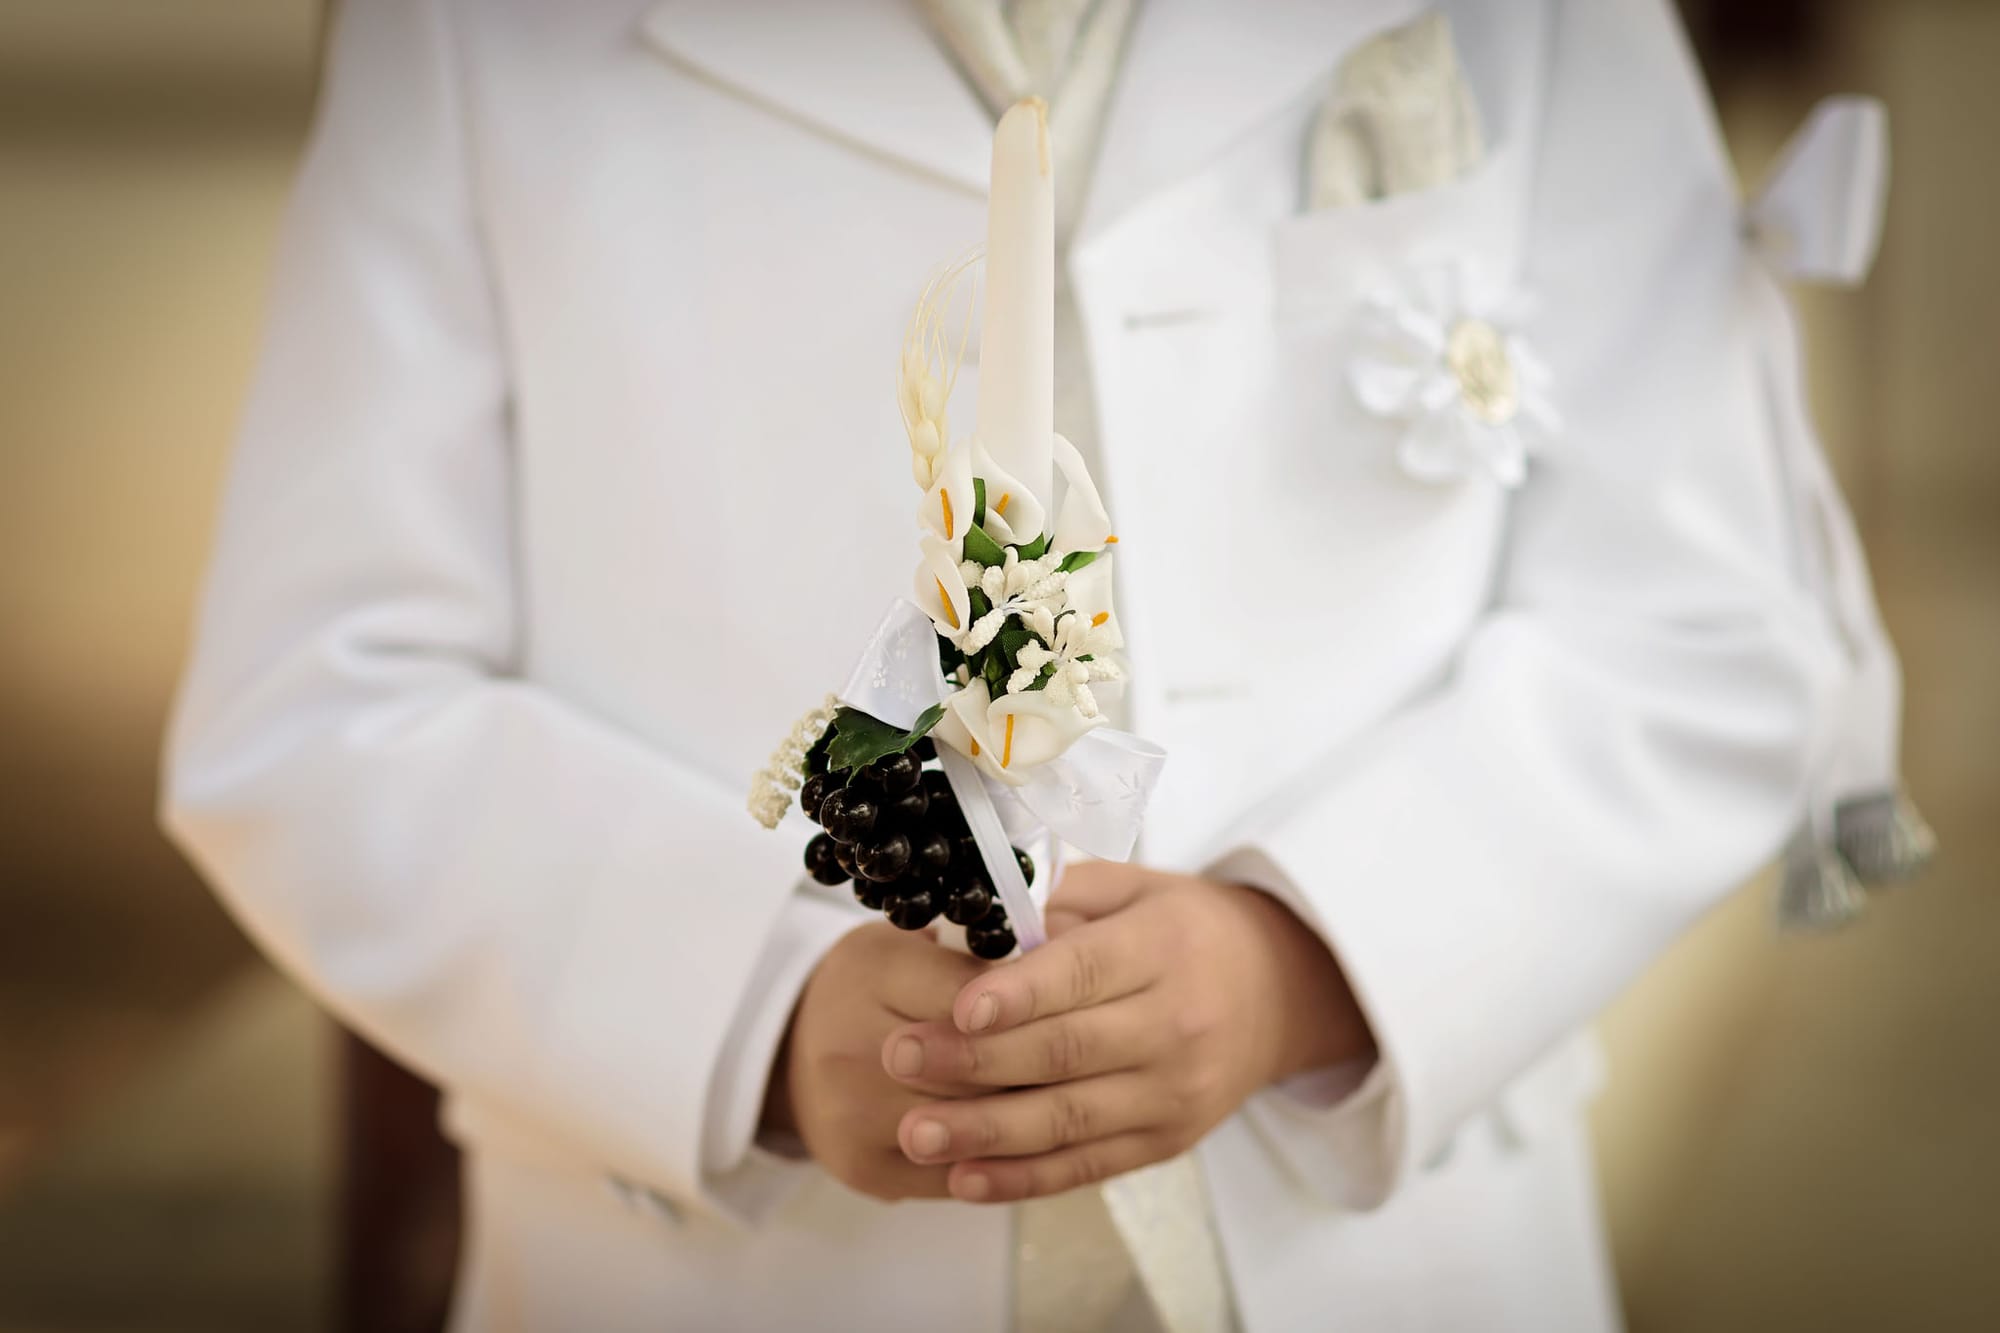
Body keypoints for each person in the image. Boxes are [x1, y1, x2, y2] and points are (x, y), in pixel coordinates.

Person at [162, 1, 1903, 1329]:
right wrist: (747, 1014)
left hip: (1390, 1245)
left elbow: (1709, 619)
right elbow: (321, 701)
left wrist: (1312, 959)